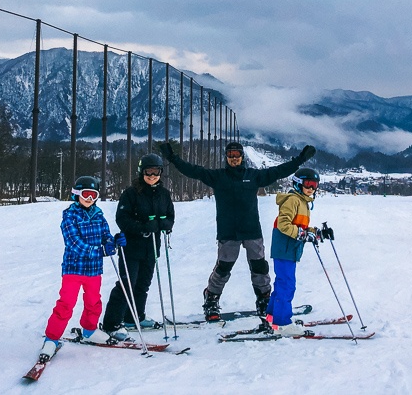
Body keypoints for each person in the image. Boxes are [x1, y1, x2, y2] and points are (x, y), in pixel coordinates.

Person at [158, 140, 316, 321]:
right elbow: (193, 171)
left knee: (259, 267)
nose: (234, 158)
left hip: (252, 230)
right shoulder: (218, 176)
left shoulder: (253, 175)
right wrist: (172, 158)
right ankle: (211, 298)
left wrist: (299, 160)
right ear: (226, 157)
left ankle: (264, 298)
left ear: (242, 157)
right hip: (228, 232)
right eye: (230, 155)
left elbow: (278, 171)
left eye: (237, 155)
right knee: (223, 268)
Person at [38, 175, 126, 360]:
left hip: (94, 270)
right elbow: (74, 244)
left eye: (93, 195)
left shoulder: (98, 214)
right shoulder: (69, 216)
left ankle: (89, 330)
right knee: (66, 304)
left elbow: (105, 236)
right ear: (76, 194)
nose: (89, 199)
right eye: (86, 194)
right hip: (74, 269)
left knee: (94, 302)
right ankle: (52, 339)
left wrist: (113, 241)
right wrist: (101, 250)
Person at [100, 153, 175, 340]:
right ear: (141, 172)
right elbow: (122, 219)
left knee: (143, 284)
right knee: (127, 284)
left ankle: (135, 317)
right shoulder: (131, 193)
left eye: (156, 171)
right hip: (132, 247)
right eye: (148, 171)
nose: (152, 175)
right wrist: (142, 227)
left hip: (152, 247)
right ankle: (111, 323)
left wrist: (165, 225)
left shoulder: (164, 194)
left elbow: (170, 216)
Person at [265, 167, 333, 335]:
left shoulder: (303, 202)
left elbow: (299, 226)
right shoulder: (293, 200)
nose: (311, 188)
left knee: (282, 283)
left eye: (314, 185)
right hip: (284, 249)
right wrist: (302, 234)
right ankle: (282, 324)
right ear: (298, 183)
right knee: (287, 285)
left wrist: (316, 233)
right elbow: (284, 224)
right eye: (308, 184)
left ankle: (272, 317)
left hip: (289, 249)